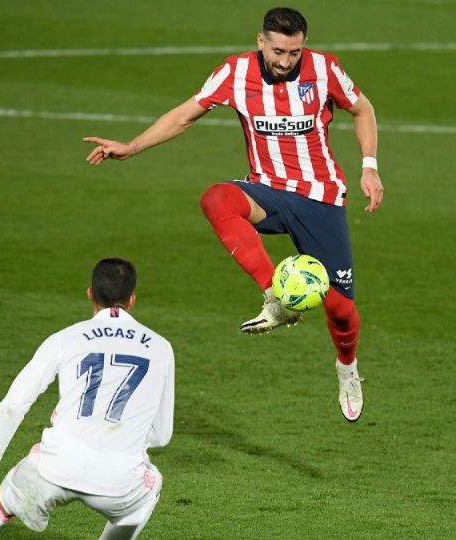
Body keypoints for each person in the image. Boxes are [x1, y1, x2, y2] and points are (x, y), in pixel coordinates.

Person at [82, 7, 383, 422]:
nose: (285, 60)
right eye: (278, 50)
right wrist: (132, 147)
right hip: (267, 191)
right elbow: (185, 115)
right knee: (217, 198)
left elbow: (362, 108)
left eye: (294, 52)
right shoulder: (235, 72)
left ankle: (347, 368)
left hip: (321, 197)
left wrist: (370, 166)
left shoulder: (325, 69)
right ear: (261, 42)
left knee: (341, 310)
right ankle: (276, 299)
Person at [0, 258, 175, 539]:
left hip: (55, 467)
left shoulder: (65, 338)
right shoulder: (161, 347)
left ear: (90, 293)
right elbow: (162, 434)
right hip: (121, 481)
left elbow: (14, 405)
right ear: (131, 299)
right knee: (146, 494)